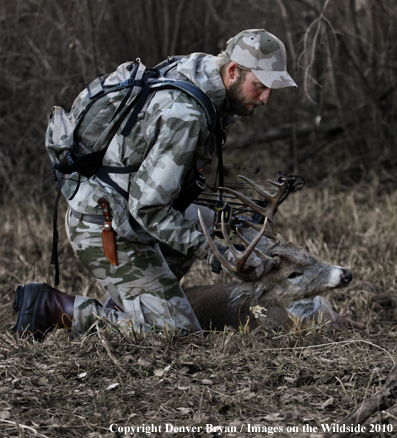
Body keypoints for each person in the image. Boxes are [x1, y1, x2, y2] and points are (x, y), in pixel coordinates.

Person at [14, 29, 297, 338]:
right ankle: (53, 307)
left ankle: (135, 305)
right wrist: (217, 252)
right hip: (106, 226)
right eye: (260, 86)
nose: (266, 97)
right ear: (232, 71)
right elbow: (148, 210)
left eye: (272, 87)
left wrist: (226, 232)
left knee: (207, 222)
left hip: (126, 211)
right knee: (176, 333)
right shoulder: (186, 116)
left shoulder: (201, 70)